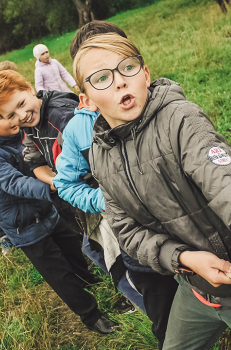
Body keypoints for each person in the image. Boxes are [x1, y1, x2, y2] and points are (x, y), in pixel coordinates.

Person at [73, 33, 231, 349]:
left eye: (127, 67)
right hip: (193, 287)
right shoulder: (100, 156)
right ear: (85, 100)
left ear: (145, 74)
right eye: (101, 78)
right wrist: (183, 258)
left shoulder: (180, 120)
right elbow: (127, 232)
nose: (119, 82)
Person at [54, 21, 178, 348]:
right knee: (166, 319)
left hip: (185, 231)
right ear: (86, 85)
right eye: (101, 72)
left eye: (123, 62)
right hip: (139, 246)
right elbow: (65, 184)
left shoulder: (165, 110)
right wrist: (104, 202)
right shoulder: (80, 131)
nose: (118, 79)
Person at [0, 71, 118, 334]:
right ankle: (91, 315)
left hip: (48, 210)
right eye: (8, 116)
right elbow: (16, 183)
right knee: (58, 271)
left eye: (18, 107)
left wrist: (56, 184)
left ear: (30, 90)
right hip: (24, 226)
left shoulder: (33, 124)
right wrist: (57, 185)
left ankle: (89, 279)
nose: (17, 118)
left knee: (75, 248)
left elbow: (40, 156)